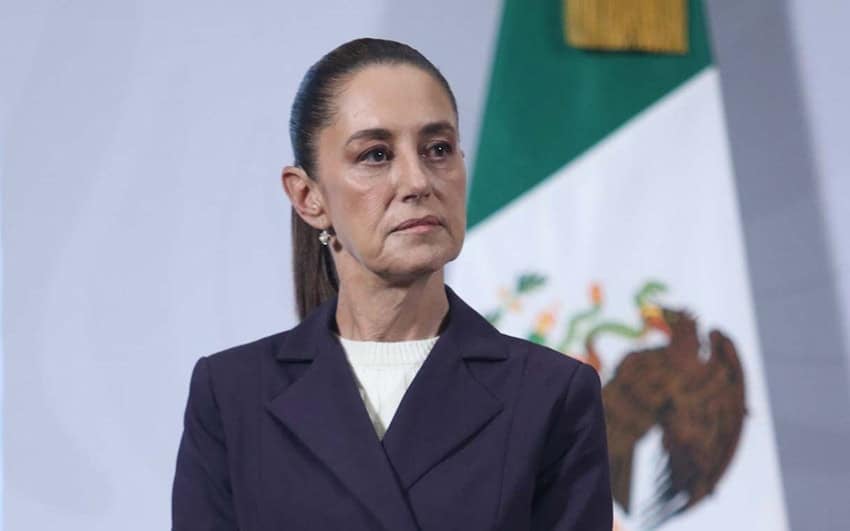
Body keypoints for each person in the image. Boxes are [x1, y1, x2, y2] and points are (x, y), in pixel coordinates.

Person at [171, 37, 612, 530]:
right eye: (377, 155)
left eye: (438, 149)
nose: (418, 180)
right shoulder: (232, 394)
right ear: (308, 196)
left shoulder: (552, 394)